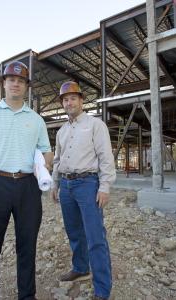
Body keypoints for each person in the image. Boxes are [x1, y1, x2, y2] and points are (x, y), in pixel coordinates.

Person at [0, 61, 53, 300]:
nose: (16, 83)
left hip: (27, 187)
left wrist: (45, 164)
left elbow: (47, 151)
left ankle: (27, 295)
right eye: (11, 79)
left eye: (21, 80)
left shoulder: (36, 120)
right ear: (4, 83)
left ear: (26, 86)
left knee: (27, 246)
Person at [51, 81, 116, 300]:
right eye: (65, 99)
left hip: (88, 184)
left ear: (81, 100)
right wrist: (55, 184)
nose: (69, 102)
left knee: (95, 235)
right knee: (74, 232)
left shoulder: (95, 125)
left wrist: (105, 186)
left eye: (72, 98)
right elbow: (58, 160)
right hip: (67, 186)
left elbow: (106, 157)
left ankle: (102, 289)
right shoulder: (62, 131)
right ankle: (80, 267)